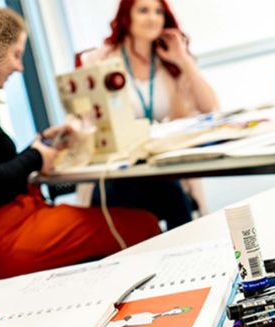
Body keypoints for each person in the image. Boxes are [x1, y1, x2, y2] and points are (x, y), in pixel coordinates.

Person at [0, 6, 160, 283]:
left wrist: (39, 148)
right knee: (143, 225)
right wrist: (36, 156)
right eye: (16, 55)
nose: (20, 67)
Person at [80, 0, 220, 229]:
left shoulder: (168, 61)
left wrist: (183, 60)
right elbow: (88, 119)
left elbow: (210, 107)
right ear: (127, 16)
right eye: (143, 10)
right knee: (164, 195)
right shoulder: (100, 59)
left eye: (158, 12)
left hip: (161, 165)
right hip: (118, 169)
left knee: (171, 191)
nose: (153, 18)